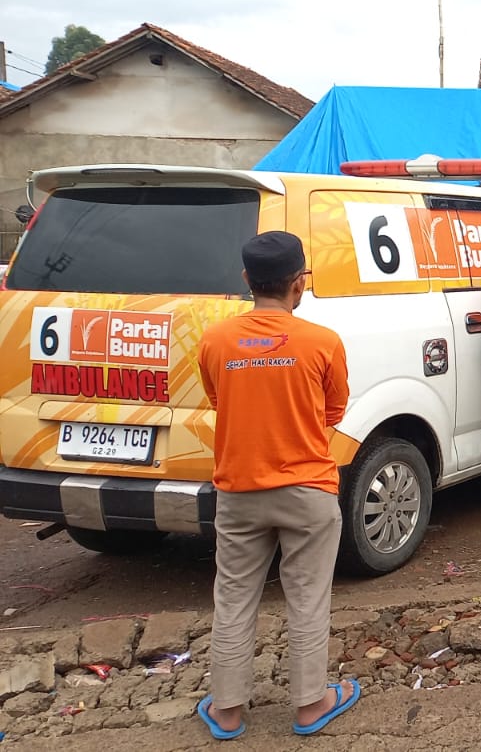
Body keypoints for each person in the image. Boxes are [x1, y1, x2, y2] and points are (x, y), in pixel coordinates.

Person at [195, 232, 359, 738]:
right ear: (299, 283)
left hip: (239, 489)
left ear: (247, 280)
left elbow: (220, 401)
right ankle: (311, 705)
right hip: (308, 489)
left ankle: (226, 711)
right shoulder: (322, 342)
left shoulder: (215, 340)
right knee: (308, 597)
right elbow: (335, 411)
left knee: (234, 597)